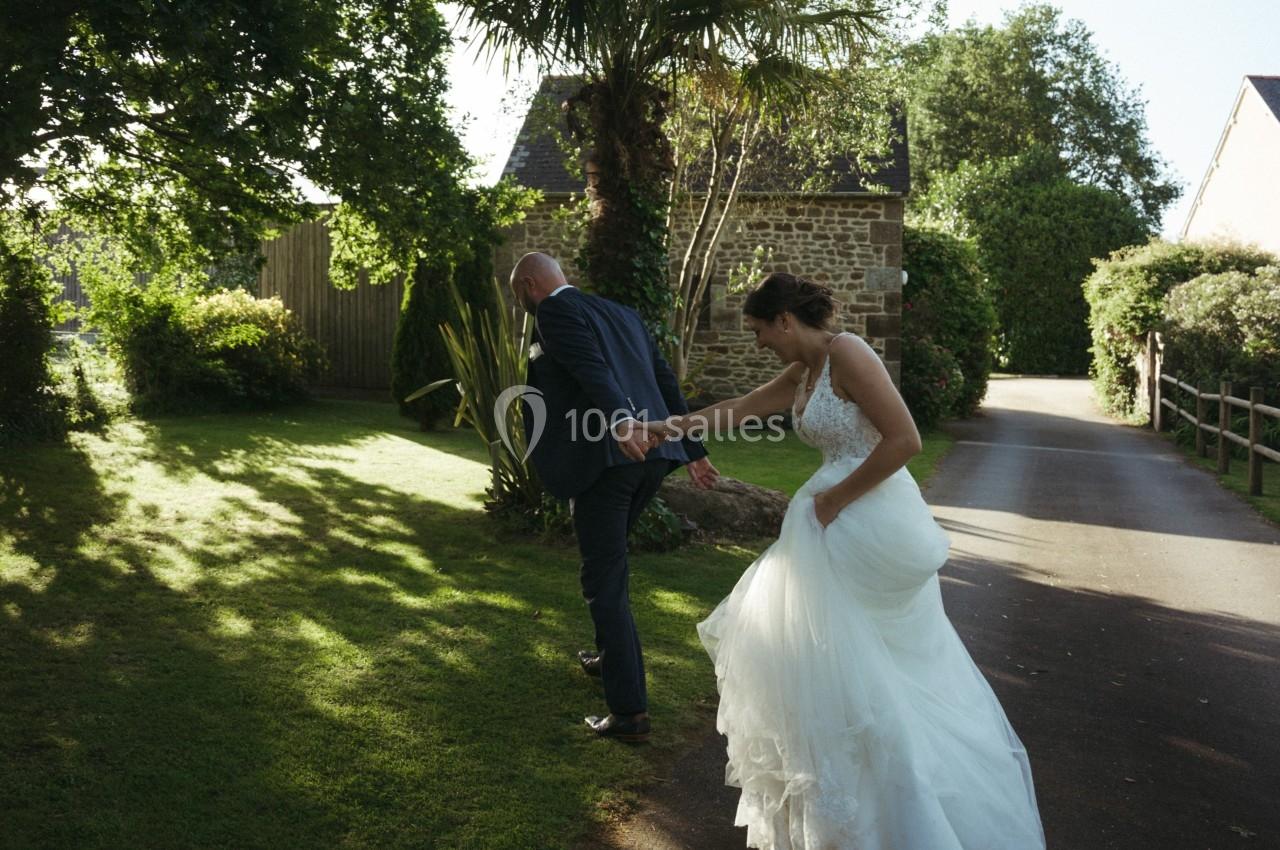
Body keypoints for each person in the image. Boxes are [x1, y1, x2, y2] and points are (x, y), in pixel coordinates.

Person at [640, 272, 1046, 848]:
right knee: (833, 666)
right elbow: (740, 408)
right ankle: (853, 812)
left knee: (869, 667)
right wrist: (664, 430)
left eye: (760, 330)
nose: (758, 343)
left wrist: (834, 500)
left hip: (866, 516)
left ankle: (906, 811)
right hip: (827, 518)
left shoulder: (848, 353)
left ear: (785, 320)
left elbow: (904, 440)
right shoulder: (804, 372)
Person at [509, 252, 719, 744]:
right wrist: (689, 448)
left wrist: (620, 422)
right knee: (611, 562)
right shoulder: (624, 313)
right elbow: (664, 380)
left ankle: (629, 713)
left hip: (608, 461)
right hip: (651, 462)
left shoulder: (554, 312)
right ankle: (608, 657)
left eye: (517, 291)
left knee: (604, 581)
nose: (518, 300)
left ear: (530, 284)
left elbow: (590, 368)